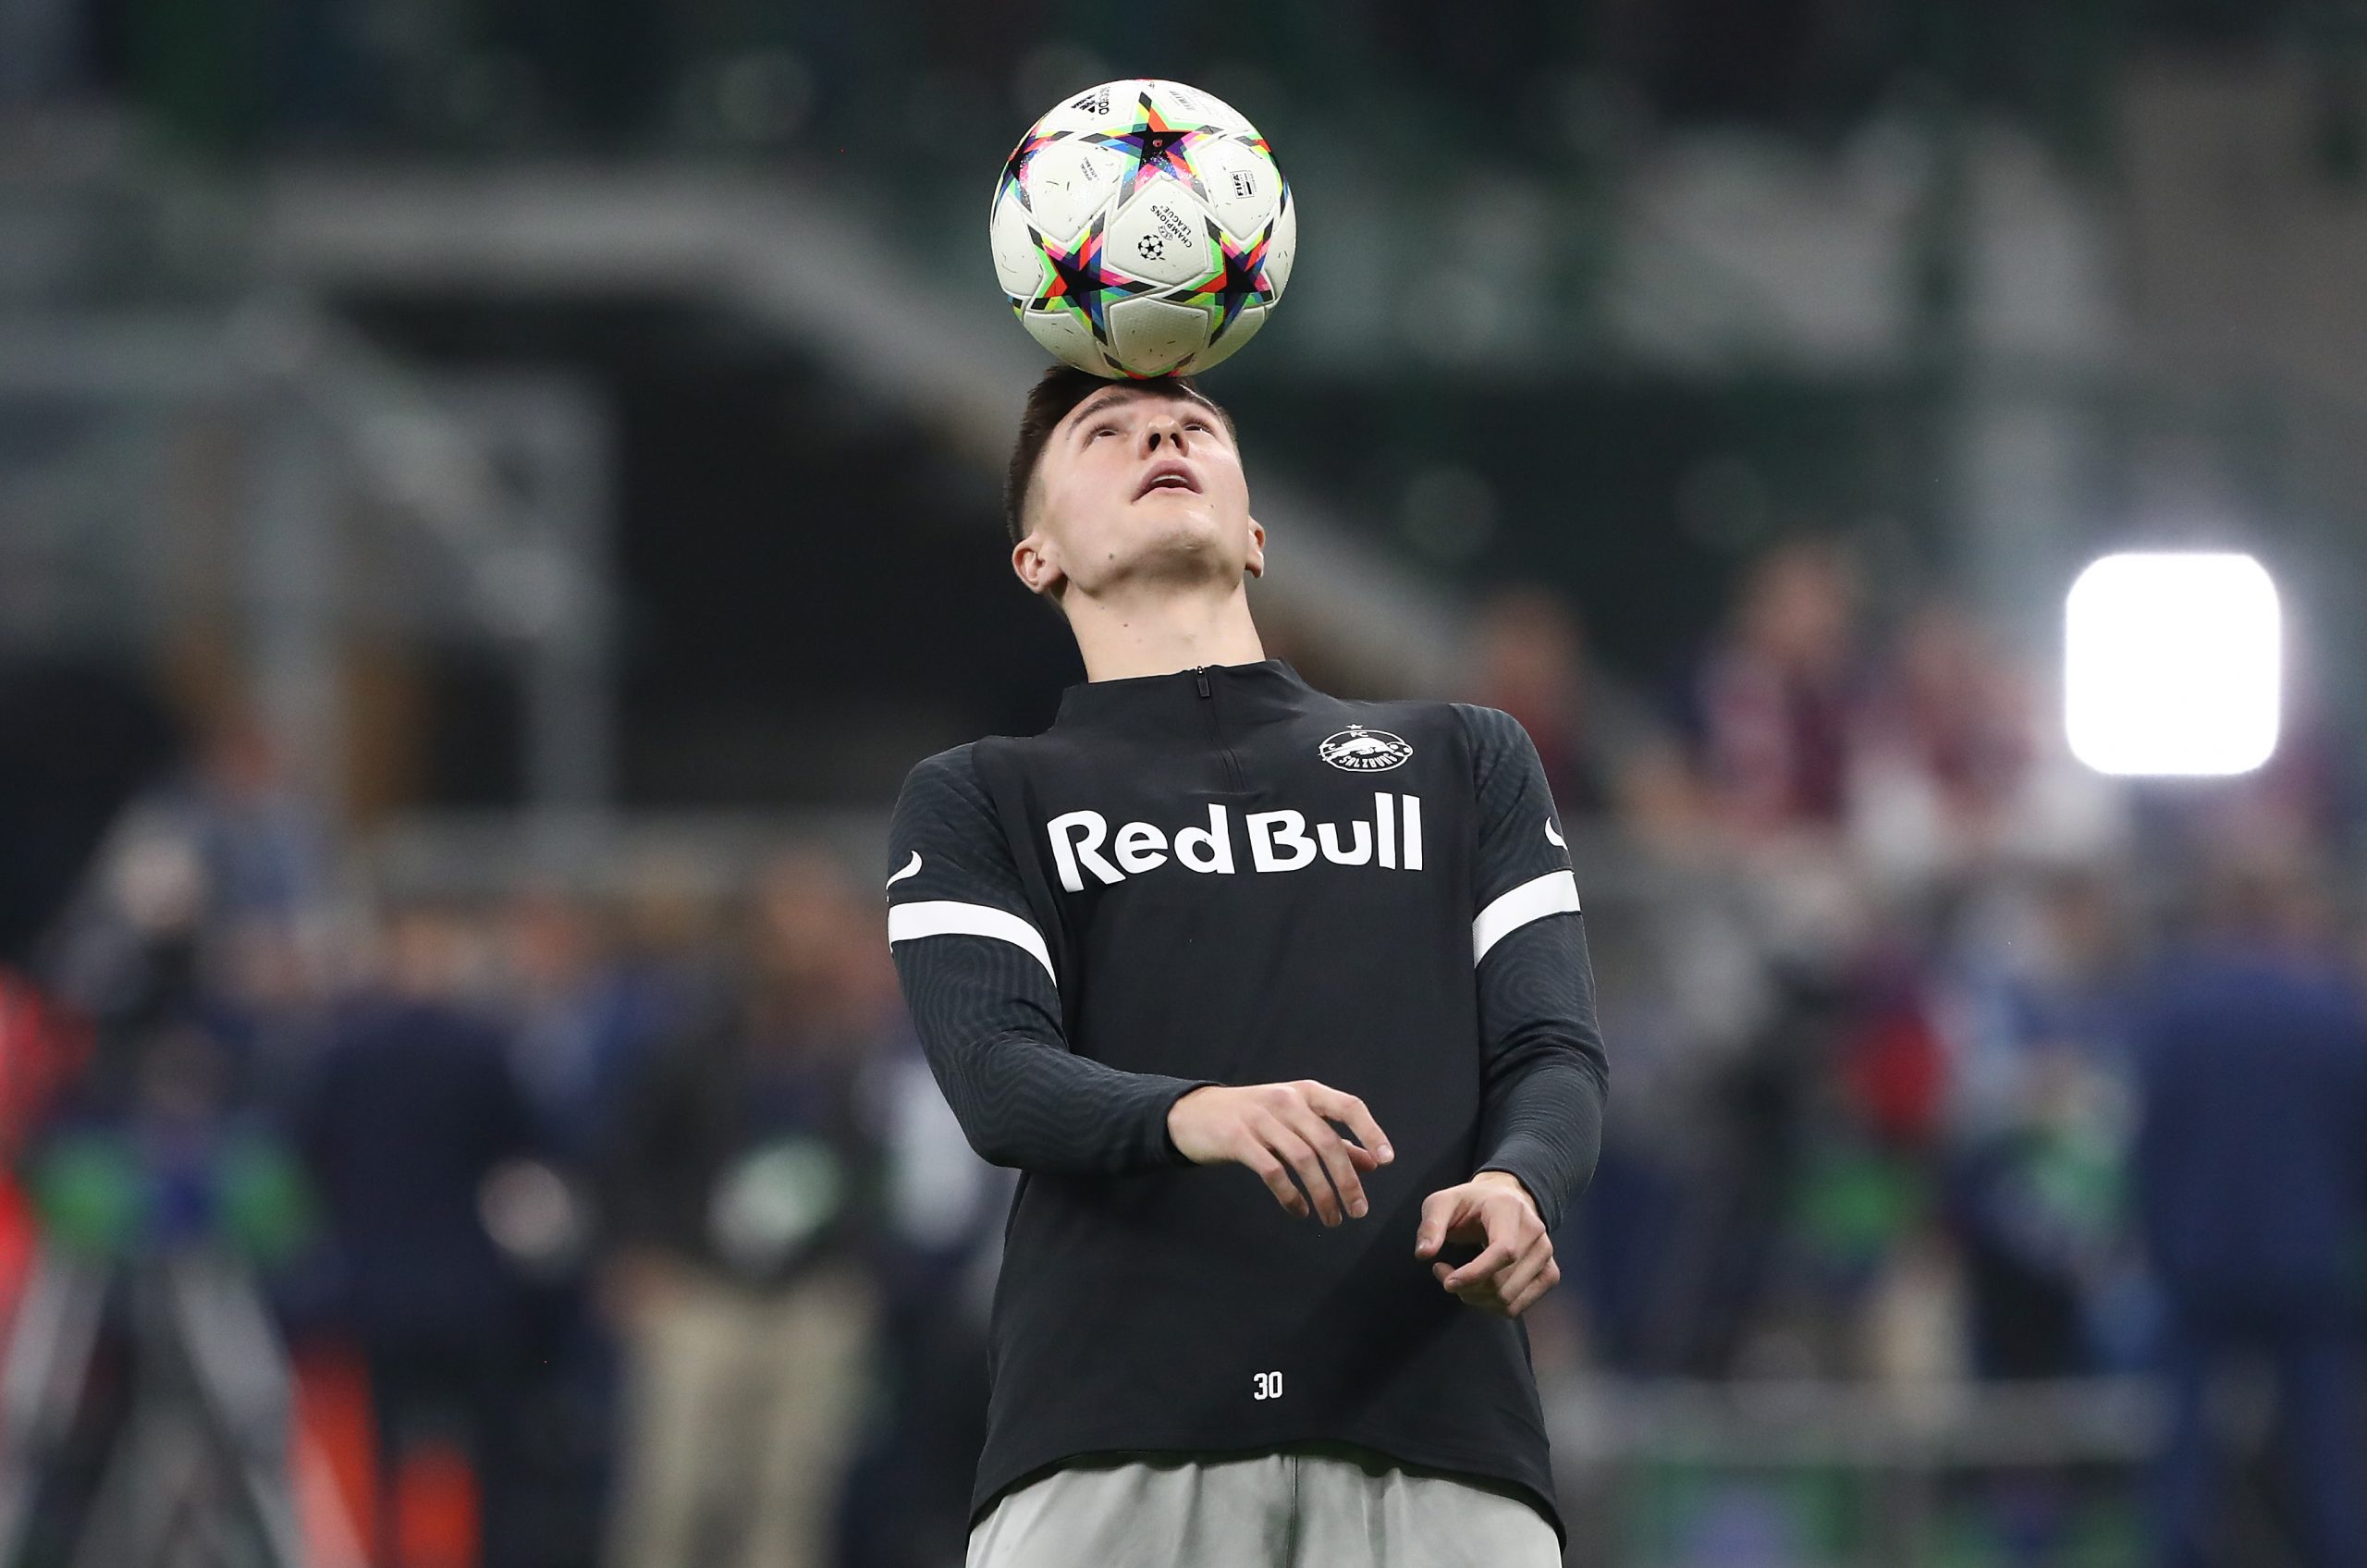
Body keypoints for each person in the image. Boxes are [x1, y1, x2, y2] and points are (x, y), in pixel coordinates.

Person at [885, 365, 1610, 1568]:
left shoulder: (1465, 754)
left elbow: (1552, 1050)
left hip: (1435, 1432)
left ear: (1258, 534)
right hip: (1111, 1439)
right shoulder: (977, 794)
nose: (1159, 432)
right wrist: (1200, 1115)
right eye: (1102, 433)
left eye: (1195, 425)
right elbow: (996, 1076)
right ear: (1037, 555)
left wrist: (1523, 1185)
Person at [2132, 852, 2367, 1568]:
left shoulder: (2179, 1011)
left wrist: (2159, 1240)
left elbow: (2151, 1141)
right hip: (2308, 1260)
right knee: (2327, 1456)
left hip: (2200, 1260)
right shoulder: (2335, 1012)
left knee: (2185, 1452)